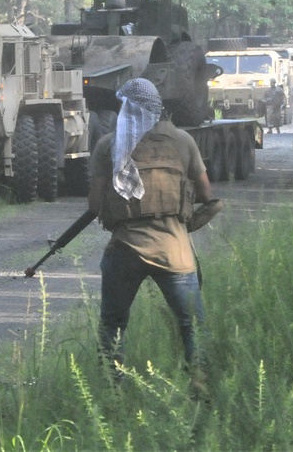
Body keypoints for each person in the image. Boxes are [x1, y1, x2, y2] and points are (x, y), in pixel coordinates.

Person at [88, 78, 214, 397]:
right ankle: (198, 381)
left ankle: (111, 389)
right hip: (175, 250)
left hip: (125, 249)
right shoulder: (183, 141)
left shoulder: (108, 143)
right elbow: (206, 194)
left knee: (113, 323)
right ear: (158, 107)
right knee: (191, 324)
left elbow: (94, 205)